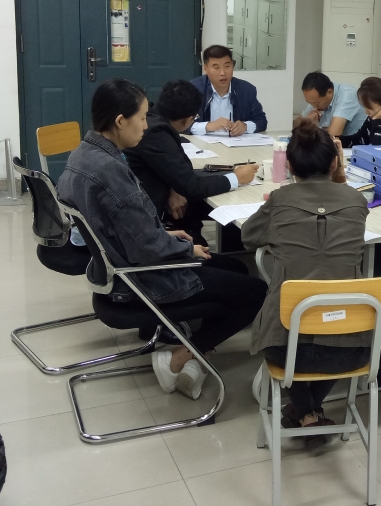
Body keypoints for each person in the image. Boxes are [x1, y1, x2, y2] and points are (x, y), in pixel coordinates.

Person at [57, 79, 267, 400]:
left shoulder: (84, 155)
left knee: (235, 269)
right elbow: (147, 248)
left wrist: (163, 233)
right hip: (141, 278)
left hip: (118, 266)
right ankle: (180, 358)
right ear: (120, 121)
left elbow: (119, 226)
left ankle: (193, 349)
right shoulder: (111, 171)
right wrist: (186, 247)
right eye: (142, 118)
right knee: (257, 291)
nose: (146, 125)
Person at [242, 121, 369, 448]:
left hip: (284, 347)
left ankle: (305, 412)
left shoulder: (280, 199)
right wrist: (341, 180)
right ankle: (310, 412)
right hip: (350, 350)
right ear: (334, 162)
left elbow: (248, 237)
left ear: (290, 166)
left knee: (287, 334)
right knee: (332, 342)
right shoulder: (357, 202)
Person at [124, 80, 259, 246]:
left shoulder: (153, 119)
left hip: (150, 200)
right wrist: (236, 178)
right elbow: (192, 186)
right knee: (222, 202)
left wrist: (174, 186)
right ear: (186, 120)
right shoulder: (156, 132)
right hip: (149, 220)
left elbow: (172, 170)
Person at [191, 45, 267, 136]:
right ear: (205, 68)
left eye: (227, 66)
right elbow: (180, 124)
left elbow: (261, 121)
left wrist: (245, 126)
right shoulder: (193, 89)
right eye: (216, 68)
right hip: (202, 144)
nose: (223, 73)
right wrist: (208, 126)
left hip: (236, 143)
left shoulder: (246, 90)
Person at [297, 71, 366, 137]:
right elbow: (296, 122)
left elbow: (334, 135)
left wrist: (312, 127)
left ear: (329, 92)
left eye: (316, 103)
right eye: (310, 103)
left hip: (356, 143)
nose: (314, 107)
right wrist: (306, 122)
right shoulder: (316, 98)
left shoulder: (346, 94)